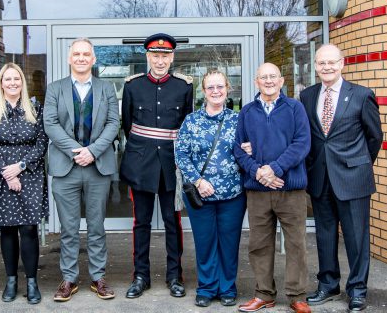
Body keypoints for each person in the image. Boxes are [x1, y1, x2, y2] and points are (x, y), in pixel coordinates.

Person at [300, 44, 382, 313]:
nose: (327, 67)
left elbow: (374, 138)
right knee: (324, 235)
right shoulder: (308, 95)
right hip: (320, 177)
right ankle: (328, 284)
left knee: (356, 238)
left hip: (353, 178)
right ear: (315, 66)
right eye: (321, 63)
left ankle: (357, 290)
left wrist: (358, 164)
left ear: (342, 64)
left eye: (331, 63)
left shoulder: (361, 95)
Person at [43, 38, 120, 302]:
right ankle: (69, 279)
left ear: (93, 59)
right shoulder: (55, 89)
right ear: (69, 58)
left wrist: (93, 151)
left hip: (98, 166)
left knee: (97, 225)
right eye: (76, 54)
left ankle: (98, 277)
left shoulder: (106, 88)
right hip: (66, 167)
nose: (81, 58)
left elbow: (114, 123)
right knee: (69, 227)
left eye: (86, 54)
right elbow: (50, 124)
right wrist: (77, 151)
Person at [120, 33, 193, 299]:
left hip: (171, 165)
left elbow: (185, 128)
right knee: (141, 223)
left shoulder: (184, 86)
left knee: (173, 222)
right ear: (147, 57)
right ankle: (141, 276)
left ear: (172, 57)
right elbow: (127, 125)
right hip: (141, 163)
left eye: (165, 56)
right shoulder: (132, 85)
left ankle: (175, 275)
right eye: (155, 55)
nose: (160, 60)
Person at [234, 63, 312, 313]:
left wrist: (275, 169)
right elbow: (238, 148)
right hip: (258, 191)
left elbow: (302, 144)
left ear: (281, 80)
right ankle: (263, 294)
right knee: (259, 244)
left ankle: (297, 295)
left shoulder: (295, 108)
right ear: (256, 82)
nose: (268, 81)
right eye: (263, 77)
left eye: (273, 77)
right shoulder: (246, 112)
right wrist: (259, 172)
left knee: (296, 244)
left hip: (291, 190)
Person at [0, 62, 48, 305]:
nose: (12, 83)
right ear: (1, 83)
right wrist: (7, 172)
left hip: (29, 174)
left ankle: (32, 281)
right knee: (7, 229)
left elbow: (42, 142)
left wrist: (21, 167)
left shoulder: (35, 108)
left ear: (22, 83)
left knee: (28, 228)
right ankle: (11, 280)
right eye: (8, 79)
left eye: (17, 79)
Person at [174, 69, 246, 308]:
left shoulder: (239, 119)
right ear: (203, 92)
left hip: (232, 194)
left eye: (220, 87)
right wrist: (198, 181)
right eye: (210, 88)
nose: (216, 91)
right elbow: (181, 153)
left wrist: (252, 150)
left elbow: (248, 148)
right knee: (204, 242)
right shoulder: (191, 121)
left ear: (228, 89)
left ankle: (227, 287)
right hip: (200, 193)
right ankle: (206, 287)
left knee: (229, 242)